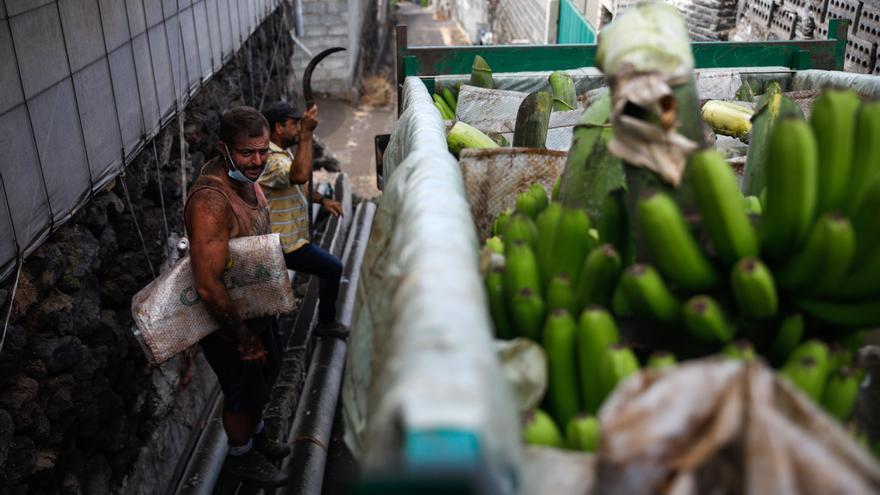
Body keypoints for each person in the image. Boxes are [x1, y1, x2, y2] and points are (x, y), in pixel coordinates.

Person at [184, 106, 290, 488]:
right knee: (241, 393)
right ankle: (242, 457)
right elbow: (209, 285)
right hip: (231, 325)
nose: (258, 161)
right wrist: (243, 339)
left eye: (263, 151)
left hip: (257, 310)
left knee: (262, 380)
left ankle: (258, 438)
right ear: (223, 149)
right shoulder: (211, 202)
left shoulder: (247, 177)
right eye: (247, 153)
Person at [259, 101, 347, 336]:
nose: (299, 128)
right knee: (332, 268)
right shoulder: (269, 158)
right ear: (278, 127)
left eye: (301, 124)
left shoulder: (281, 153)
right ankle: (326, 324)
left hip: (291, 239)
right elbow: (299, 176)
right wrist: (307, 134)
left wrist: (323, 200)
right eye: (295, 124)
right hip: (282, 244)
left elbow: (299, 187)